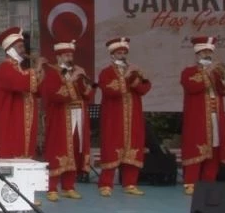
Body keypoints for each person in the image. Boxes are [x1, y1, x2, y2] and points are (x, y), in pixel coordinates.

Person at [40, 40, 95, 202]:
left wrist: (84, 81)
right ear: (59, 57)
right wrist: (71, 81)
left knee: (76, 148)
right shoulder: (52, 73)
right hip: (61, 116)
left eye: (71, 54)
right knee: (59, 148)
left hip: (78, 114)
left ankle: (69, 186)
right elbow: (54, 95)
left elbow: (87, 95)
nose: (69, 57)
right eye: (66, 55)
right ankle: (51, 187)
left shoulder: (77, 72)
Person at [97, 37, 151, 197]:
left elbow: (144, 89)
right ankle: (106, 184)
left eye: (123, 52)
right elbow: (110, 91)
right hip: (114, 117)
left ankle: (130, 183)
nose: (122, 55)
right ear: (112, 55)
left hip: (133, 115)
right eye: (118, 52)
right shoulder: (106, 72)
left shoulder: (133, 72)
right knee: (112, 146)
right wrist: (126, 77)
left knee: (133, 147)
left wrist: (140, 78)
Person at [181, 36, 225, 195]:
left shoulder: (217, 71)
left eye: (209, 51)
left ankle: (208, 182)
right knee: (196, 147)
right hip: (197, 118)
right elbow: (192, 87)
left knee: (215, 148)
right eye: (204, 51)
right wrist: (208, 73)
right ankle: (190, 182)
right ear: (198, 53)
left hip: (215, 117)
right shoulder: (188, 71)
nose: (207, 54)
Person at [0, 27, 44, 159]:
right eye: (20, 47)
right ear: (10, 49)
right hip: (12, 124)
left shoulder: (20, 69)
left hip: (23, 124)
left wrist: (40, 73)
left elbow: (36, 90)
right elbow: (21, 83)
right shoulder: (4, 68)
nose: (23, 51)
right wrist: (37, 69)